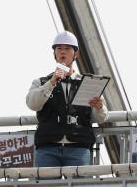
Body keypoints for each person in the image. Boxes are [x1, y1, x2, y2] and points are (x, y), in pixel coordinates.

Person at [26, 31, 108, 167]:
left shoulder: (87, 82)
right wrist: (51, 82)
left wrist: (99, 107)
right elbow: (32, 104)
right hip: (48, 148)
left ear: (75, 54)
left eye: (67, 48)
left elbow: (101, 118)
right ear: (54, 54)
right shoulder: (41, 82)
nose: (62, 52)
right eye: (59, 48)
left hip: (79, 147)